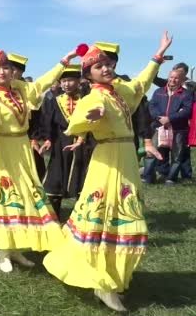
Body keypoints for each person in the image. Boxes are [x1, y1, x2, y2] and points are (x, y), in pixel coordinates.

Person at [43, 32, 173, 312]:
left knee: (123, 216)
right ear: (88, 75)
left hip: (126, 158)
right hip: (108, 161)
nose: (106, 68)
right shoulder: (93, 98)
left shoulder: (120, 91)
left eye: (108, 64)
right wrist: (88, 120)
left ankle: (113, 278)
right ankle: (103, 282)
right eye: (99, 66)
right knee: (106, 217)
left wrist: (157, 56)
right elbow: (76, 122)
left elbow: (141, 84)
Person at [0, 46, 81, 273]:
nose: (2, 72)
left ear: (12, 71)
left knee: (25, 196)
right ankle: (3, 251)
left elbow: (43, 82)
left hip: (22, 148)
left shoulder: (22, 89)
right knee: (5, 198)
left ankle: (16, 248)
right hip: (3, 151)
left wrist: (64, 61)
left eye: (6, 68)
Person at [39, 65, 94, 222]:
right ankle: (54, 216)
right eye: (63, 81)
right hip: (60, 143)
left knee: (81, 177)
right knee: (55, 178)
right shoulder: (55, 101)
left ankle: (81, 216)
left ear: (78, 81)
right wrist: (48, 139)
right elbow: (49, 123)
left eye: (70, 80)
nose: (66, 84)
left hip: (83, 143)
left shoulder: (86, 99)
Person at [144, 68, 193, 185]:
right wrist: (159, 118)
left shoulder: (187, 94)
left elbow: (187, 110)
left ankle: (171, 178)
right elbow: (152, 106)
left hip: (178, 129)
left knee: (177, 155)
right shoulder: (158, 92)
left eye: (176, 78)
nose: (173, 80)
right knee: (152, 152)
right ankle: (148, 177)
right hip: (158, 126)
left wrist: (170, 118)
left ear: (181, 80)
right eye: (171, 77)